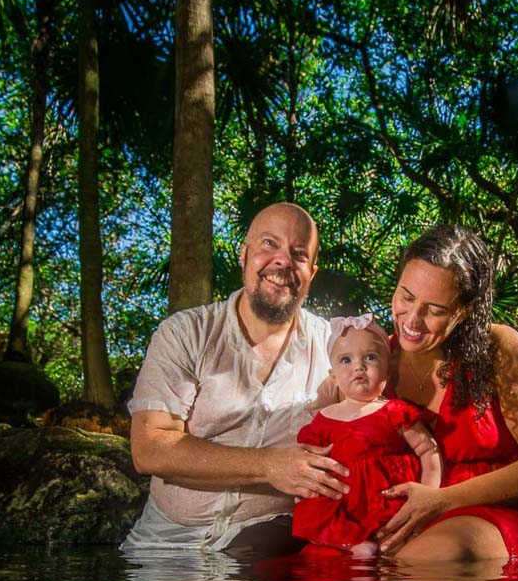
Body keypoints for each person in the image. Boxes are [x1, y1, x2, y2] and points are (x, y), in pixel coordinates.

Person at [122, 202, 350, 555]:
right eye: (269, 244)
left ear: (312, 273)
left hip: (269, 555)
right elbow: (150, 448)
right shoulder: (185, 333)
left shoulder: (333, 347)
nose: (282, 261)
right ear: (244, 255)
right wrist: (269, 465)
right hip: (165, 545)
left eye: (299, 253)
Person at [377, 225, 518, 563]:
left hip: (491, 516)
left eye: (435, 309)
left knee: (425, 558)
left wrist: (443, 500)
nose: (412, 319)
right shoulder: (374, 358)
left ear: (464, 310)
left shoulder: (500, 348)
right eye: (406, 296)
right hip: (405, 522)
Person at [291, 316, 441, 557]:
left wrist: (429, 495)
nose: (358, 366)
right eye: (346, 360)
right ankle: (347, 543)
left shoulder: (394, 412)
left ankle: (373, 546)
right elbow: (309, 465)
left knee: (396, 545)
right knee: (314, 537)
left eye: (370, 357)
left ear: (387, 370)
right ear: (333, 376)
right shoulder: (323, 420)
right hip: (341, 504)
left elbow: (427, 450)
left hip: (385, 502)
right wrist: (302, 494)